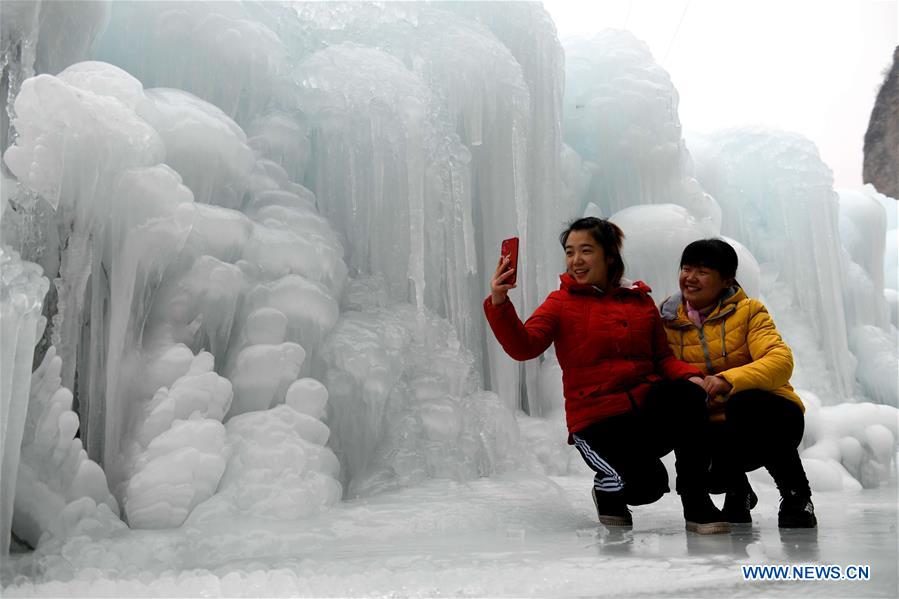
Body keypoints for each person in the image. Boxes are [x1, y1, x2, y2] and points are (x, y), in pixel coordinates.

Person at [484, 217, 729, 534]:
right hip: (598, 421)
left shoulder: (639, 302)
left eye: (585, 250)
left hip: (642, 412)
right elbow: (523, 346)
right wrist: (500, 301)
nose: (576, 260)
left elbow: (662, 359)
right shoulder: (560, 303)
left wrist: (692, 376)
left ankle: (697, 505)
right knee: (648, 487)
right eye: (570, 252)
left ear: (609, 255)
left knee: (689, 394)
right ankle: (607, 489)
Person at [659, 239, 817, 529]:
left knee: (746, 403)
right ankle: (737, 491)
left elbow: (780, 361)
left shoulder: (749, 312)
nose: (690, 278)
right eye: (686, 268)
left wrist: (727, 380)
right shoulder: (667, 321)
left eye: (703, 271)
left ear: (727, 280)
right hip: (709, 435)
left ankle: (797, 496)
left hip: (767, 424)